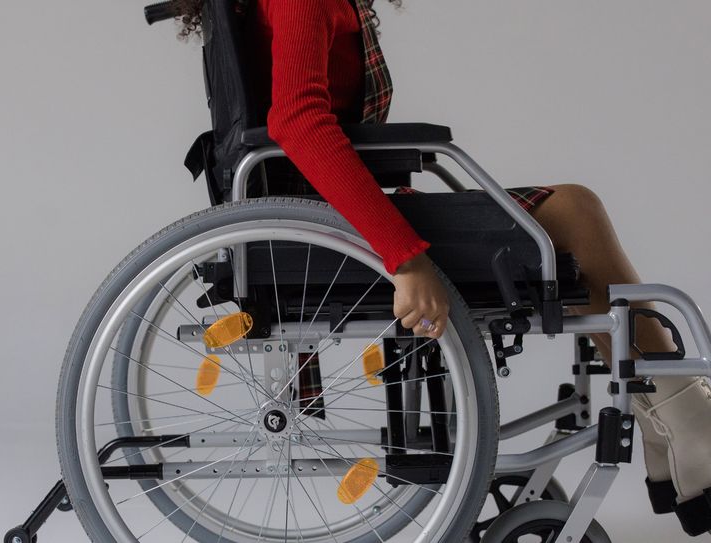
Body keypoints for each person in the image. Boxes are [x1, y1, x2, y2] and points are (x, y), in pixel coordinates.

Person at [174, 0, 711, 536]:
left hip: (322, 223)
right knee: (573, 211)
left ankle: (668, 417)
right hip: (330, 234)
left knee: (569, 221)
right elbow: (298, 123)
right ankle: (685, 416)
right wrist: (406, 259)